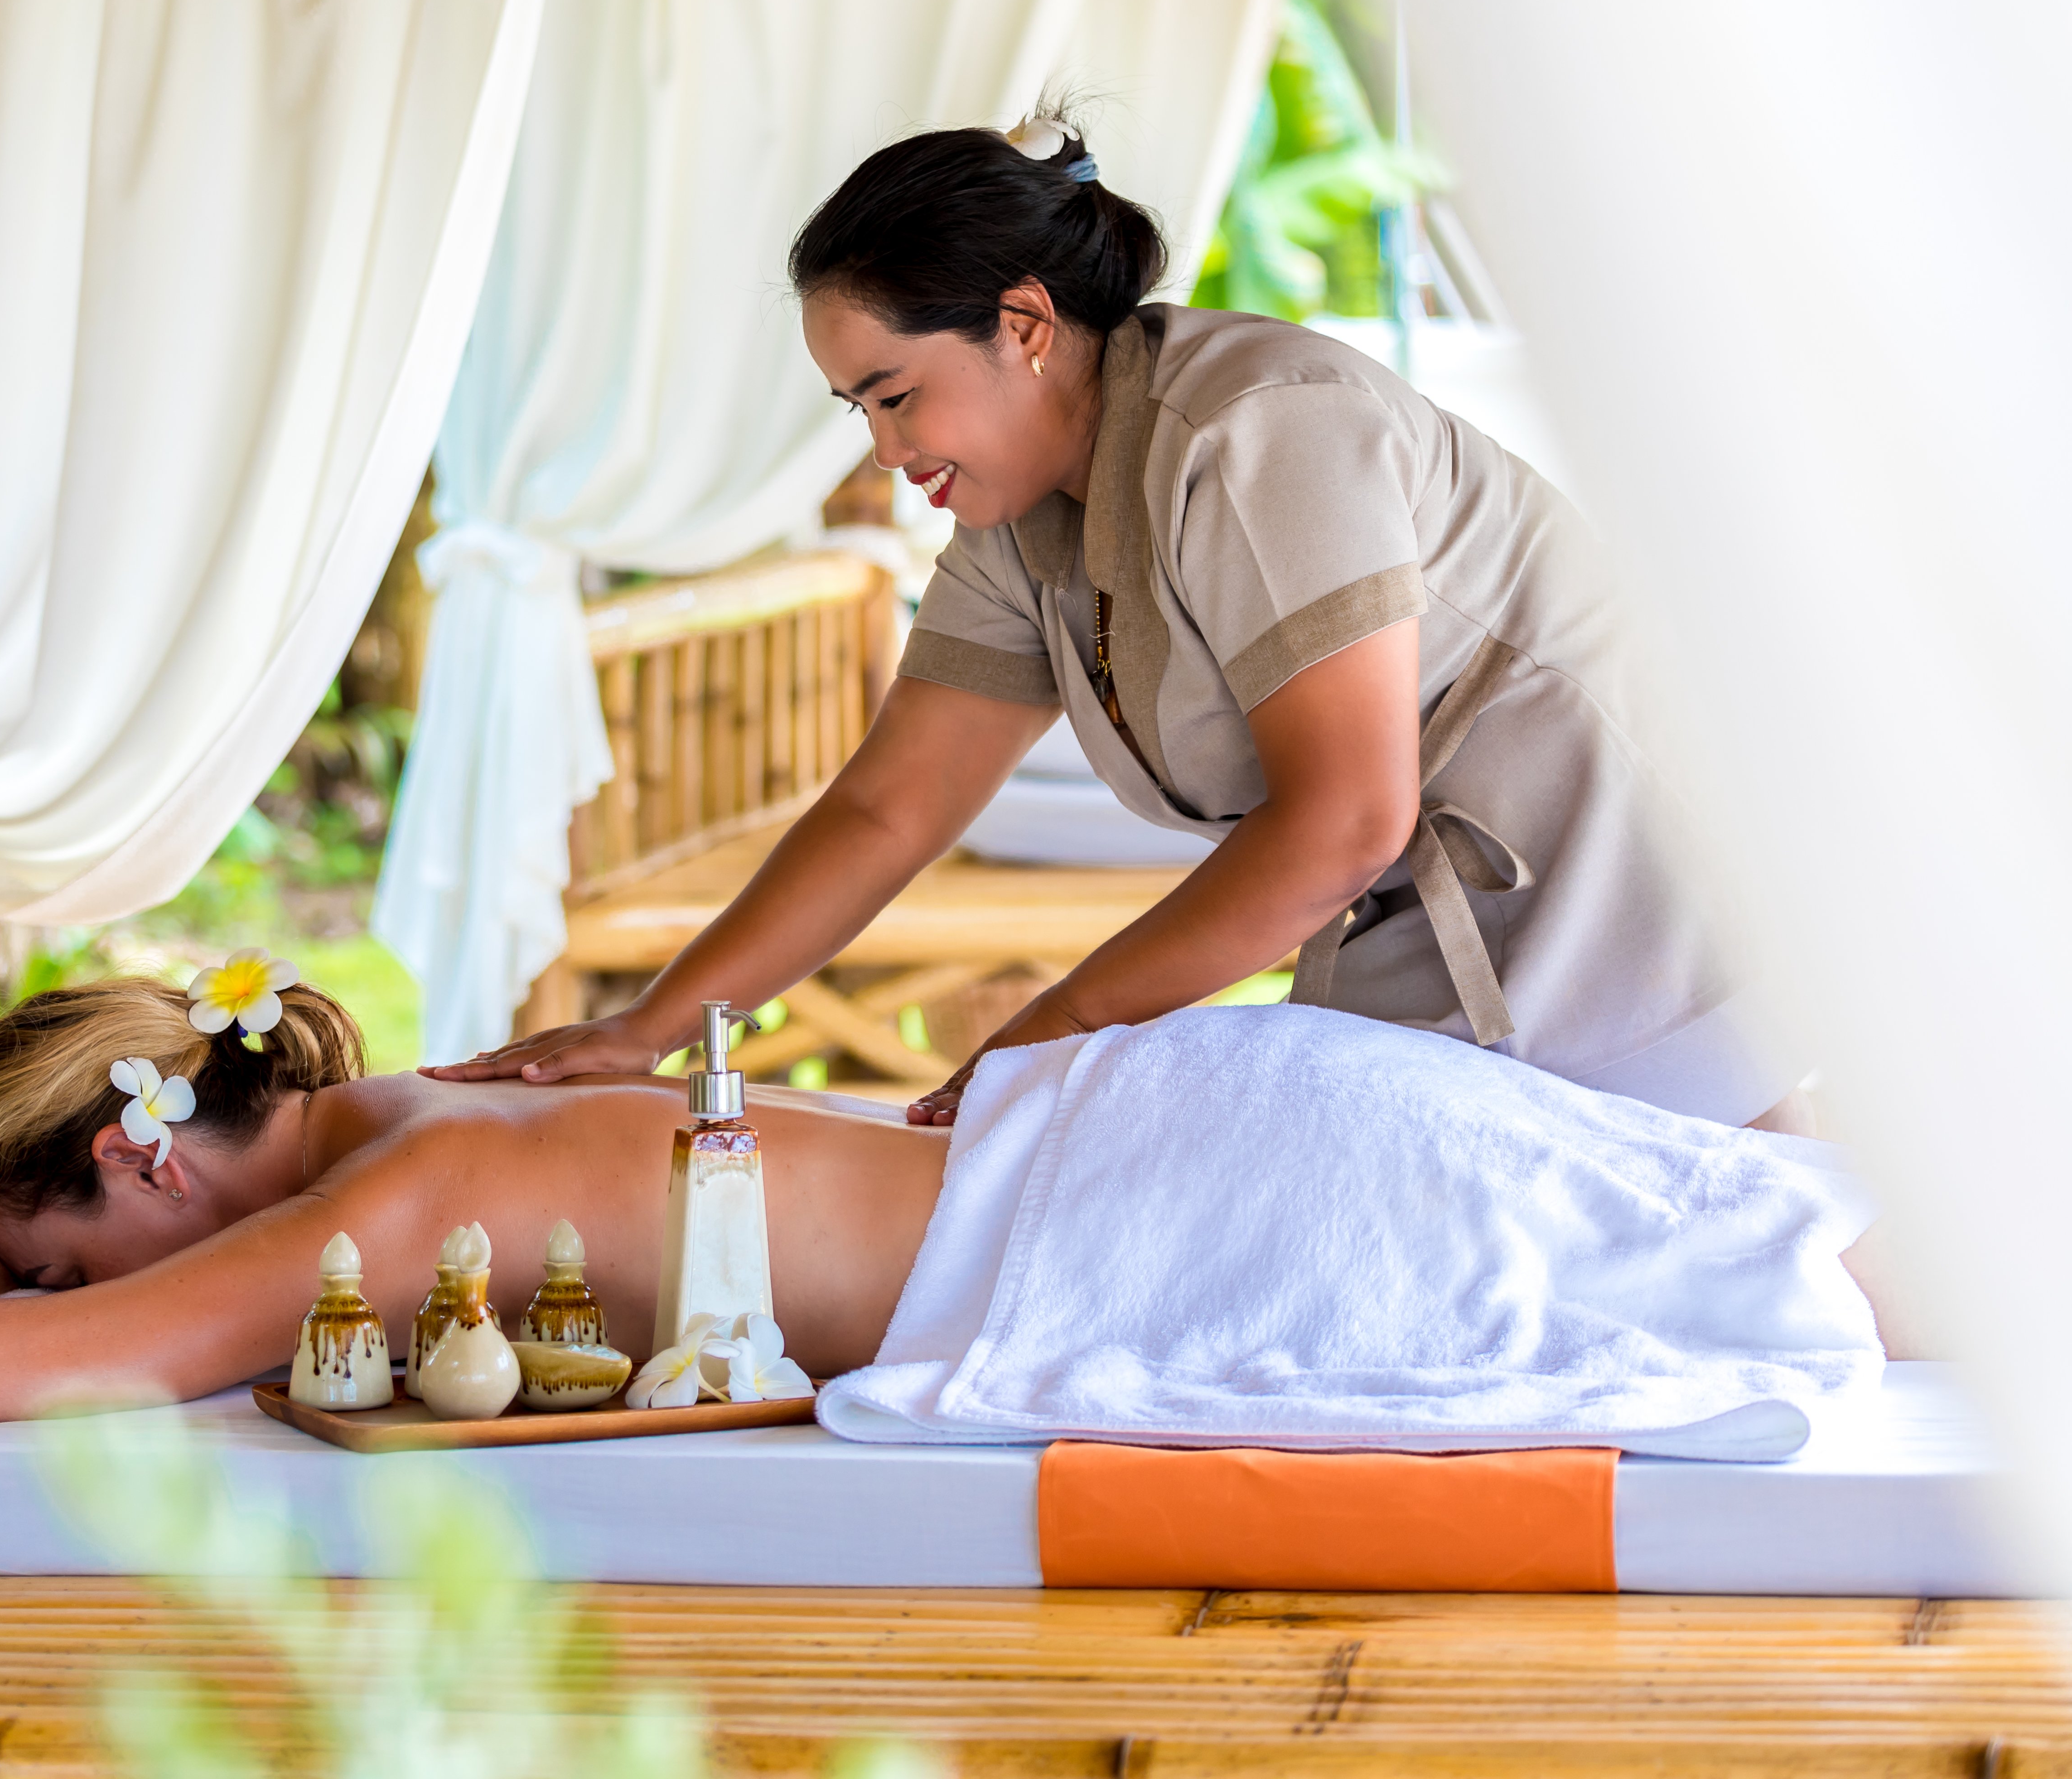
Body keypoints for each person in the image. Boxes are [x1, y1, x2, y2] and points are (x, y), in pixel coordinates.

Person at [423, 108, 1776, 1130]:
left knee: (1816, 1300)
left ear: (1023, 325)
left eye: (896, 396)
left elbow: (1346, 819)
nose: (885, 452)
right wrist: (659, 1022)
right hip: (1428, 944)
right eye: (860, 412)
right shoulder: (1022, 519)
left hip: (1627, 900)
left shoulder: (1255, 431)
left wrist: (1040, 1040)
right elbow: (890, 810)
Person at [0, 976, 1899, 1435]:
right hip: (1191, 1125)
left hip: (1162, 1210)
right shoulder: (406, 1114)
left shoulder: (408, 1195)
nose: (64, 1295)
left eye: (62, 1257)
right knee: (1773, 1230)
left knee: (1781, 1258)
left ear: (138, 1153)